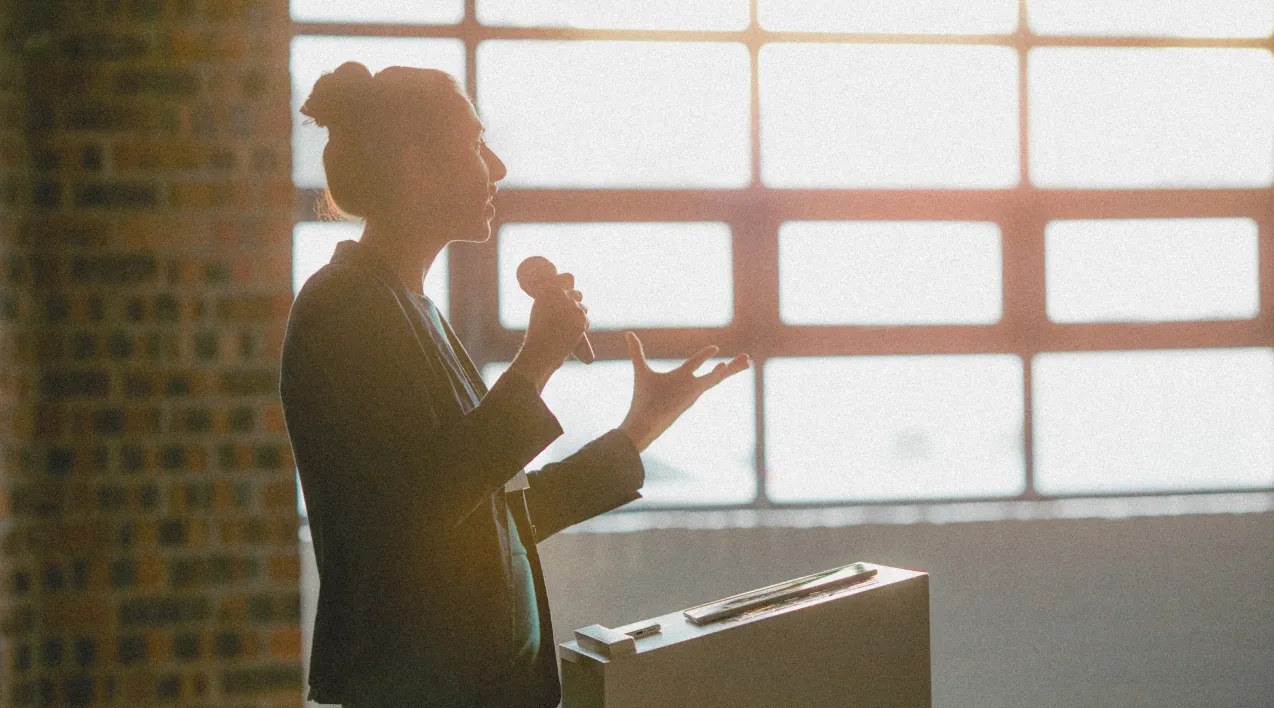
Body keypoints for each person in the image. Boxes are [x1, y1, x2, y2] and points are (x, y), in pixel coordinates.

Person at [279, 62, 750, 708]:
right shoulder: (341, 309)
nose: (496, 167)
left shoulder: (412, 309)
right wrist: (537, 361)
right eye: (475, 144)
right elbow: (418, 512)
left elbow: (497, 511)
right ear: (416, 163)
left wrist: (639, 428)